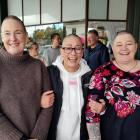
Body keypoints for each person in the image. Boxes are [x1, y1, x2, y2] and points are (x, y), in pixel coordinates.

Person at [0, 15, 54, 140]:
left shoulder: (38, 66)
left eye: (17, 32)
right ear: (2, 37)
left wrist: (38, 136)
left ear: (26, 35)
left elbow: (49, 103)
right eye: (7, 33)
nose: (13, 38)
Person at [86, 31, 140, 140]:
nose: (124, 48)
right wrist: (95, 138)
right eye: (119, 45)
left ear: (136, 46)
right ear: (113, 48)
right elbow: (91, 111)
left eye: (129, 44)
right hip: (113, 134)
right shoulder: (101, 72)